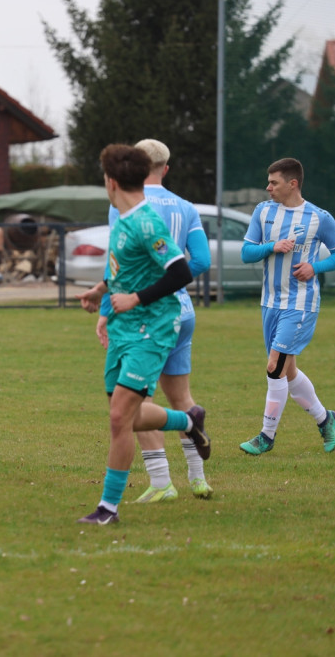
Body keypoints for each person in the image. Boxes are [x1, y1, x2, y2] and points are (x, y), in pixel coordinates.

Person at [74, 144, 210, 526]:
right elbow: (124, 267)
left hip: (153, 329)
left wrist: (135, 298)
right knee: (128, 419)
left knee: (119, 417)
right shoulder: (122, 216)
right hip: (124, 328)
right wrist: (101, 292)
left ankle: (108, 509)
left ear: (111, 181)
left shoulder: (146, 222)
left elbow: (181, 271)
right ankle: (188, 421)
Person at [238, 158, 335, 455]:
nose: (268, 187)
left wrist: (314, 267)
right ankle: (326, 419)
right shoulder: (263, 212)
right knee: (288, 371)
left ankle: (266, 436)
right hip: (270, 302)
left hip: (300, 304)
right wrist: (271, 246)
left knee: (274, 366)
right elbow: (246, 253)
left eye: (273, 182)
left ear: (292, 183)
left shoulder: (319, 218)